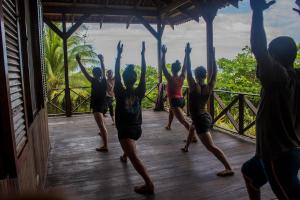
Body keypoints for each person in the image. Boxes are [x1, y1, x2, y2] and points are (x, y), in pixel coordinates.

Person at [241, 1, 300, 199]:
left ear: (273, 58)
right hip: (275, 152)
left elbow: (259, 48)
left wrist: (257, 13)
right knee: (249, 172)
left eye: (269, 56)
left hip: (279, 155)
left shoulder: (279, 78)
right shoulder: (296, 75)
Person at [181, 43, 234, 177]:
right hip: (204, 116)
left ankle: (228, 167)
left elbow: (187, 69)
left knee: (210, 146)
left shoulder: (194, 87)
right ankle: (186, 147)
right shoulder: (209, 86)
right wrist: (213, 57)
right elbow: (215, 73)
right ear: (205, 75)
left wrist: (187, 54)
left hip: (200, 120)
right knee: (192, 126)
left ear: (195, 75)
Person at [114, 41, 154, 195]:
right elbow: (144, 72)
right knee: (129, 149)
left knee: (135, 158)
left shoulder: (119, 90)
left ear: (123, 79)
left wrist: (118, 55)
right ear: (135, 79)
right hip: (137, 129)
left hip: (125, 130)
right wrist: (143, 54)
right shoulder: (140, 91)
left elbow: (116, 72)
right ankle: (125, 155)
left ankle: (149, 183)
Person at [161, 45, 197, 142]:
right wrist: (186, 53)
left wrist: (163, 54)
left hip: (174, 101)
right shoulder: (182, 77)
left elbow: (163, 67)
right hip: (181, 100)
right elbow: (185, 66)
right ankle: (169, 125)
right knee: (171, 111)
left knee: (184, 121)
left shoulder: (170, 78)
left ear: (172, 69)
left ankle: (193, 137)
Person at [76, 54, 109, 152]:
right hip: (103, 104)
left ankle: (105, 145)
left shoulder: (94, 81)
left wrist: (79, 61)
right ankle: (102, 134)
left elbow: (84, 72)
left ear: (94, 74)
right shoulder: (104, 80)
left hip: (97, 105)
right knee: (102, 124)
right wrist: (101, 60)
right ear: (100, 74)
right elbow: (103, 69)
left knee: (101, 126)